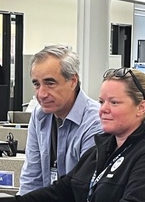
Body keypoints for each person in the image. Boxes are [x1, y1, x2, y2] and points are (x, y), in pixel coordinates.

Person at [14, 67, 145, 202]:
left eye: (114, 102)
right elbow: (60, 192)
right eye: (102, 102)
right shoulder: (101, 150)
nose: (103, 109)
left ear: (141, 107)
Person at [18, 45, 103, 195]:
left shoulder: (96, 122)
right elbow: (32, 178)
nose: (41, 94)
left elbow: (81, 189)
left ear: (73, 81)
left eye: (50, 83)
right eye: (37, 84)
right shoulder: (40, 115)